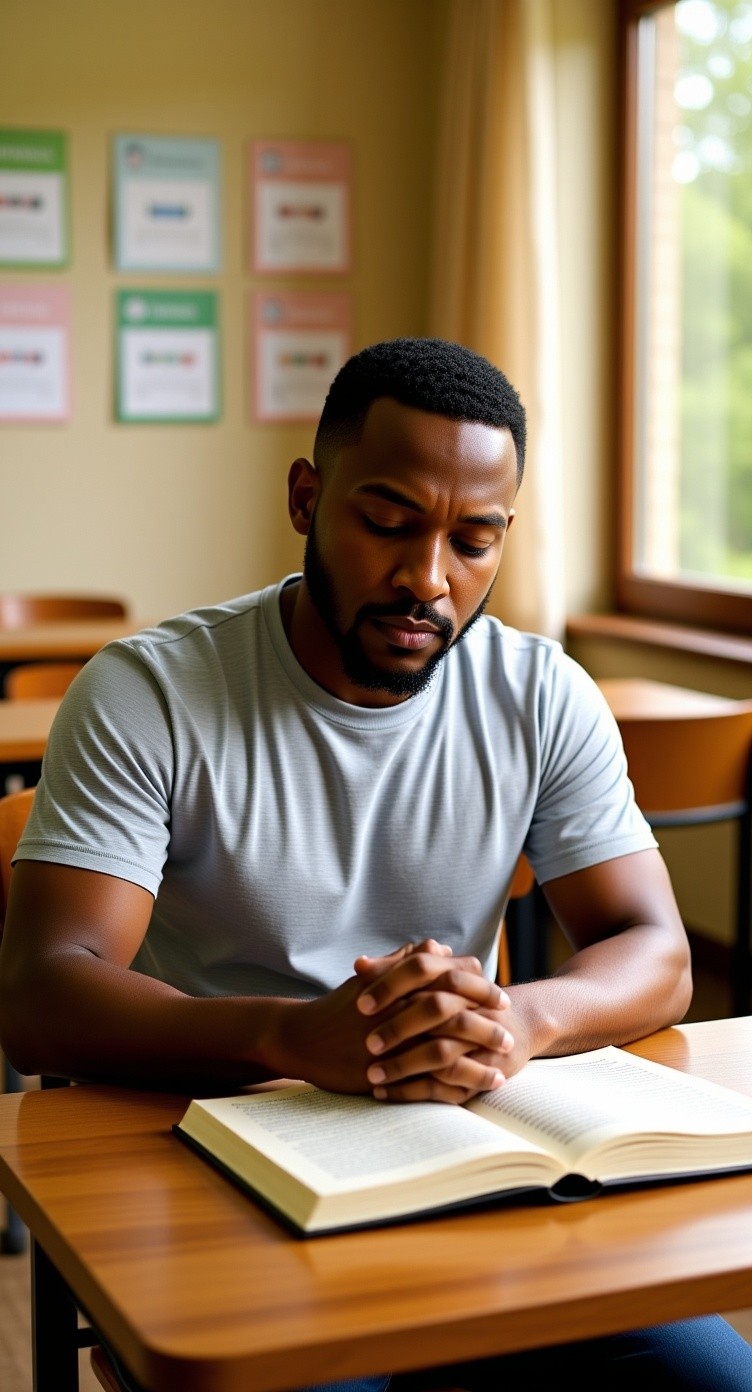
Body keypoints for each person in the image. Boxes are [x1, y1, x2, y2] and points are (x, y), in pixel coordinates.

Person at [0, 337, 749, 1391]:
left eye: (473, 541)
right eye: (387, 523)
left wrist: (519, 1020)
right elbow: (40, 994)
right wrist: (288, 1036)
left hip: (459, 1155)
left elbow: (652, 949)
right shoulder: (148, 695)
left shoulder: (541, 695)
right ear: (307, 498)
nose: (425, 578)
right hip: (207, 1148)